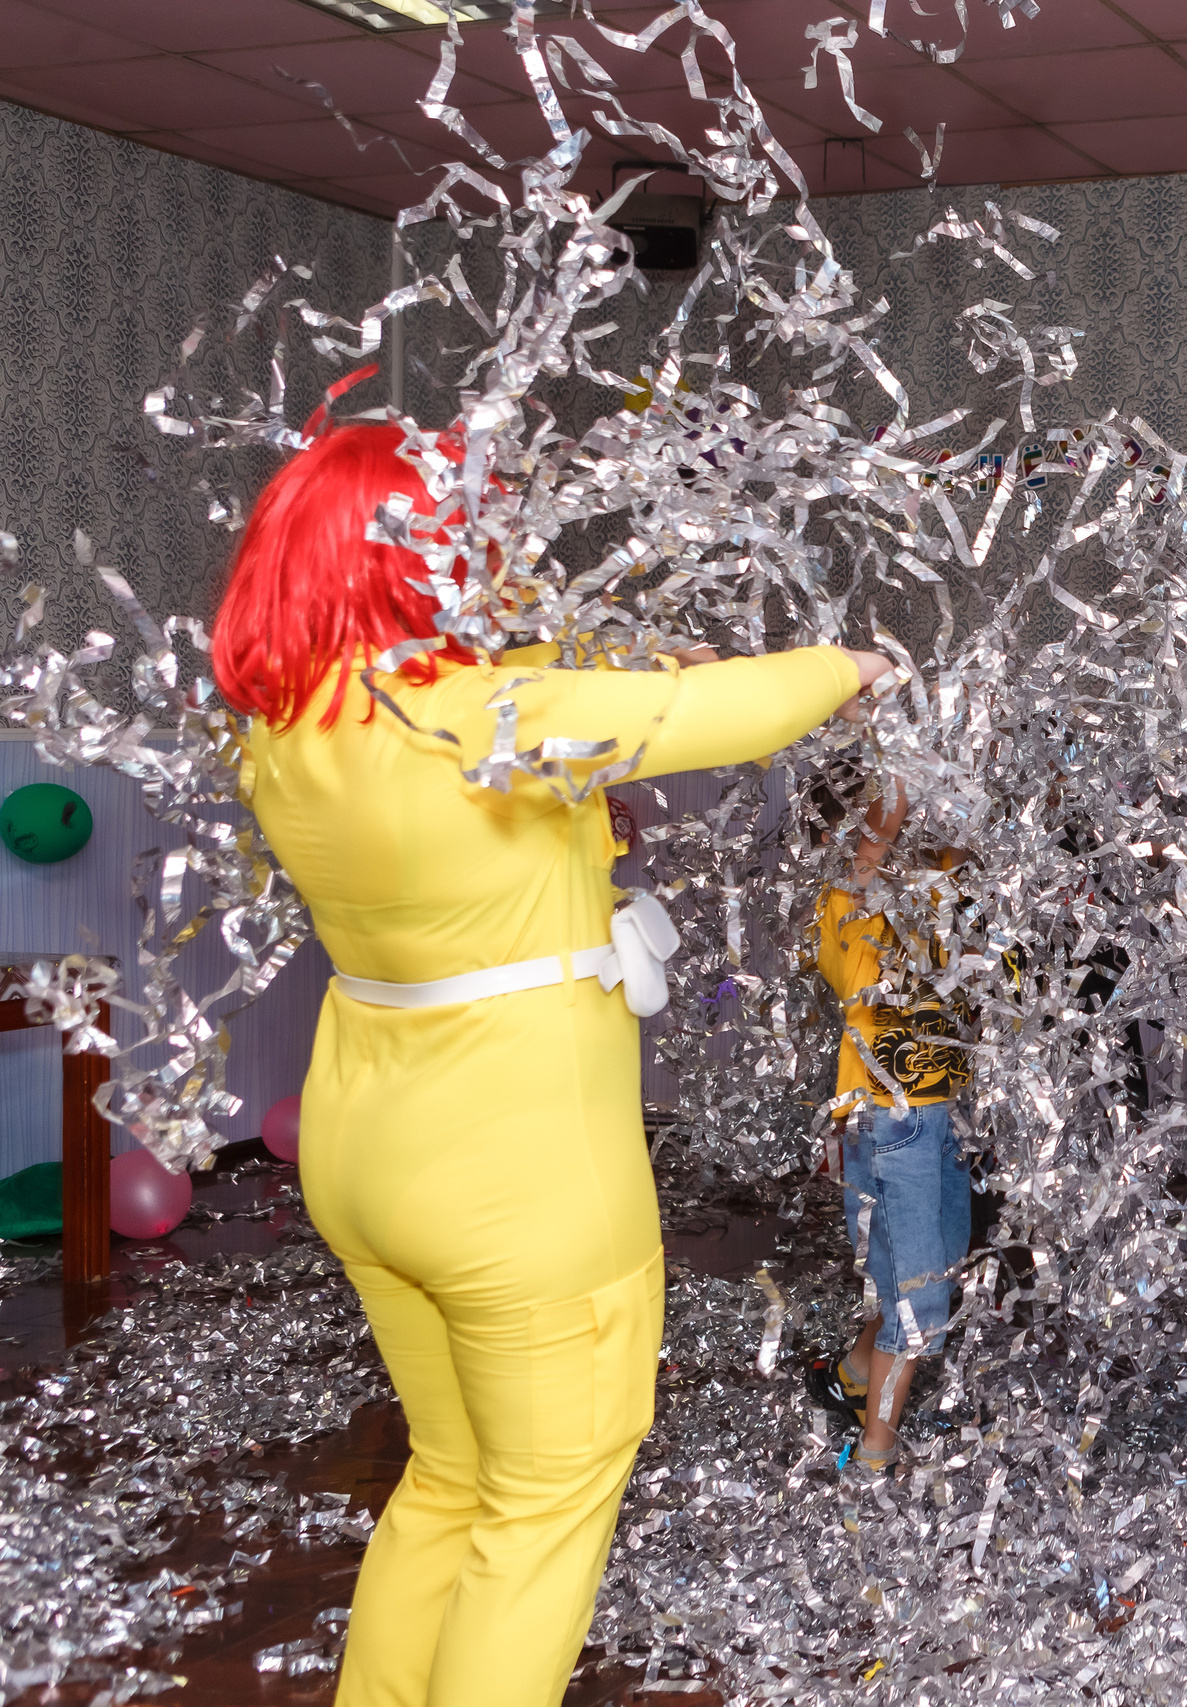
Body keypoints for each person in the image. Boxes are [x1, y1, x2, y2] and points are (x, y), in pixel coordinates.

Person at [212, 422, 898, 1707]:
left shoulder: (288, 723)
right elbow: (712, 713)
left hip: (371, 1155)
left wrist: (614, 670)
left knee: (453, 1479)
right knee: (539, 1512)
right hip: (514, 1183)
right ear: (421, 553)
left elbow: (516, 702)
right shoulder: (493, 715)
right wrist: (851, 663)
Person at [802, 776, 979, 1474]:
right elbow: (871, 847)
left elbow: (968, 838)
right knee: (917, 1291)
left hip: (939, 1118)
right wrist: (897, 781)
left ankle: (851, 1372)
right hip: (891, 1121)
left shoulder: (940, 885)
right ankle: (873, 1453)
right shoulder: (845, 903)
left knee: (929, 1261)